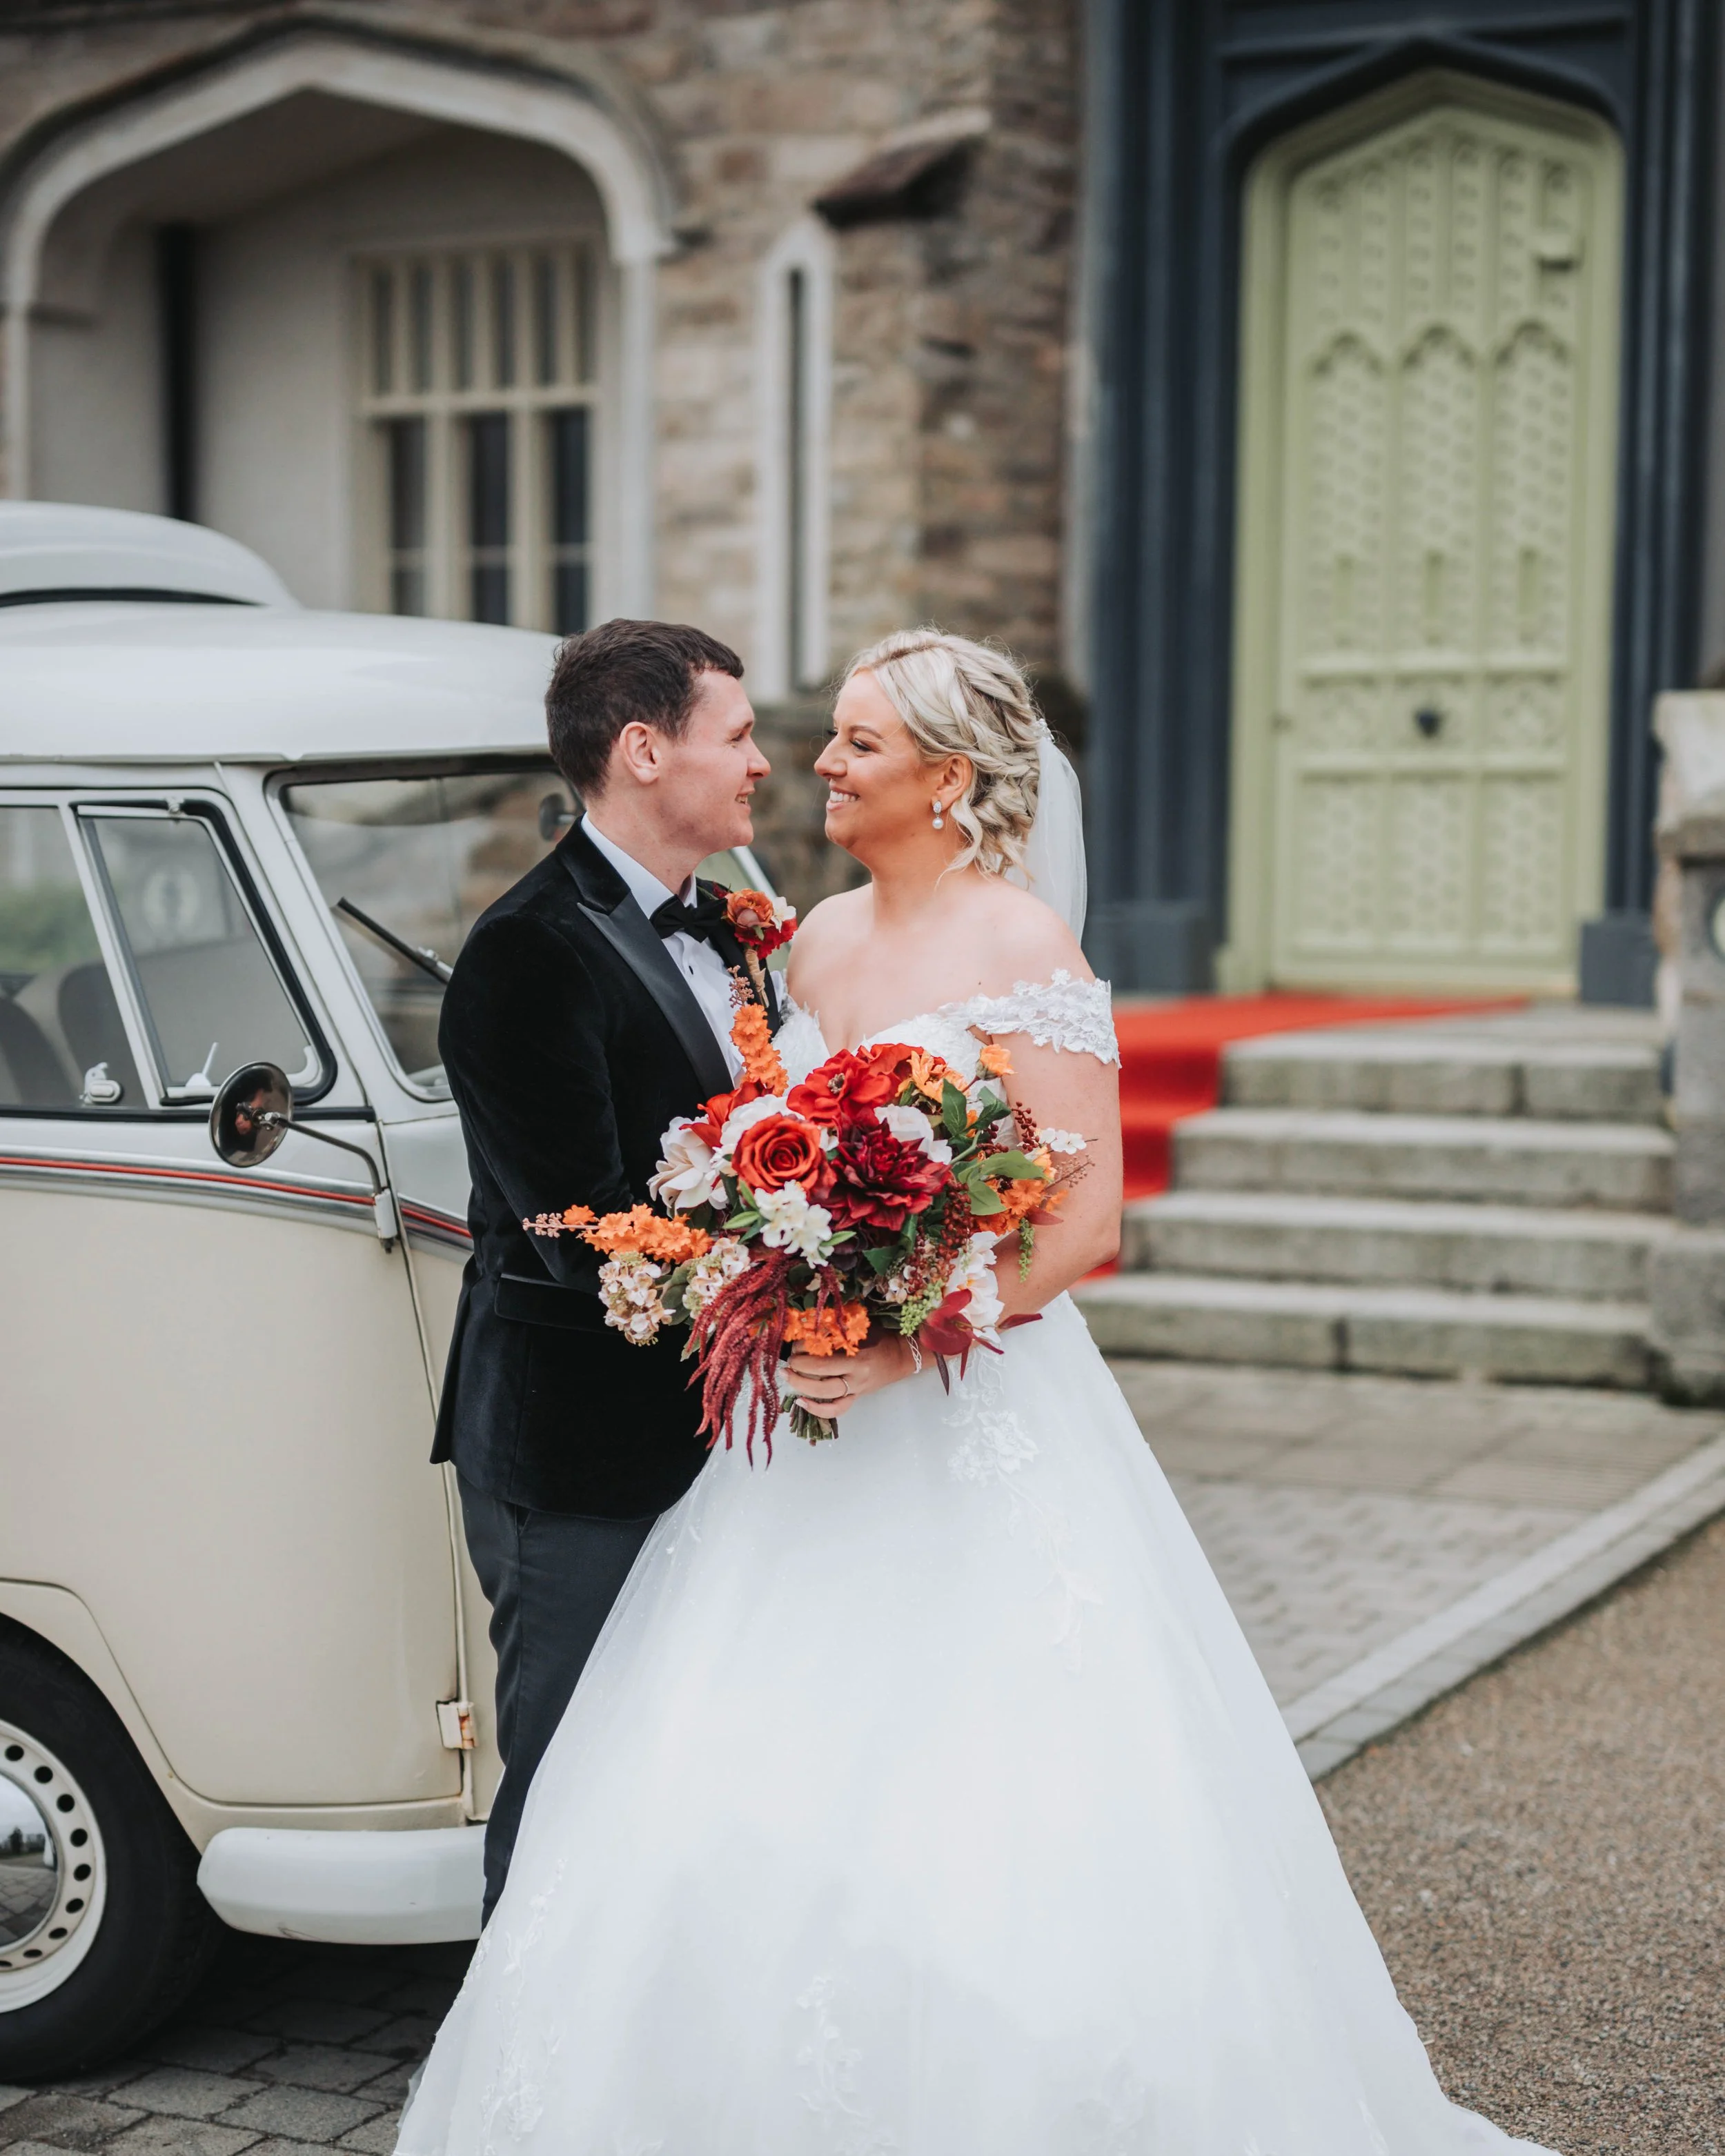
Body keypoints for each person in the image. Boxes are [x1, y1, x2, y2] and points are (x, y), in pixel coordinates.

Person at [401, 629, 1551, 2154]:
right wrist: (788, 1278)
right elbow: (694, 1171)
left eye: (856, 741)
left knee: (987, 1782)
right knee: (713, 1776)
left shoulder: (1023, 947)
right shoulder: (802, 940)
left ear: (947, 776)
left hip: (953, 1405)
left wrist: (902, 1335)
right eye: (791, 734)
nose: (811, 761)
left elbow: (1083, 1217)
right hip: (776, 1436)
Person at [431, 617, 773, 1922]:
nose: (761, 764)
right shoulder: (527, 949)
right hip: (580, 1455)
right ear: (644, 750)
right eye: (737, 736)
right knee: (570, 1778)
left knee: (689, 1774)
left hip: (727, 1442)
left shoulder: (735, 930)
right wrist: (798, 1287)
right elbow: (581, 1235)